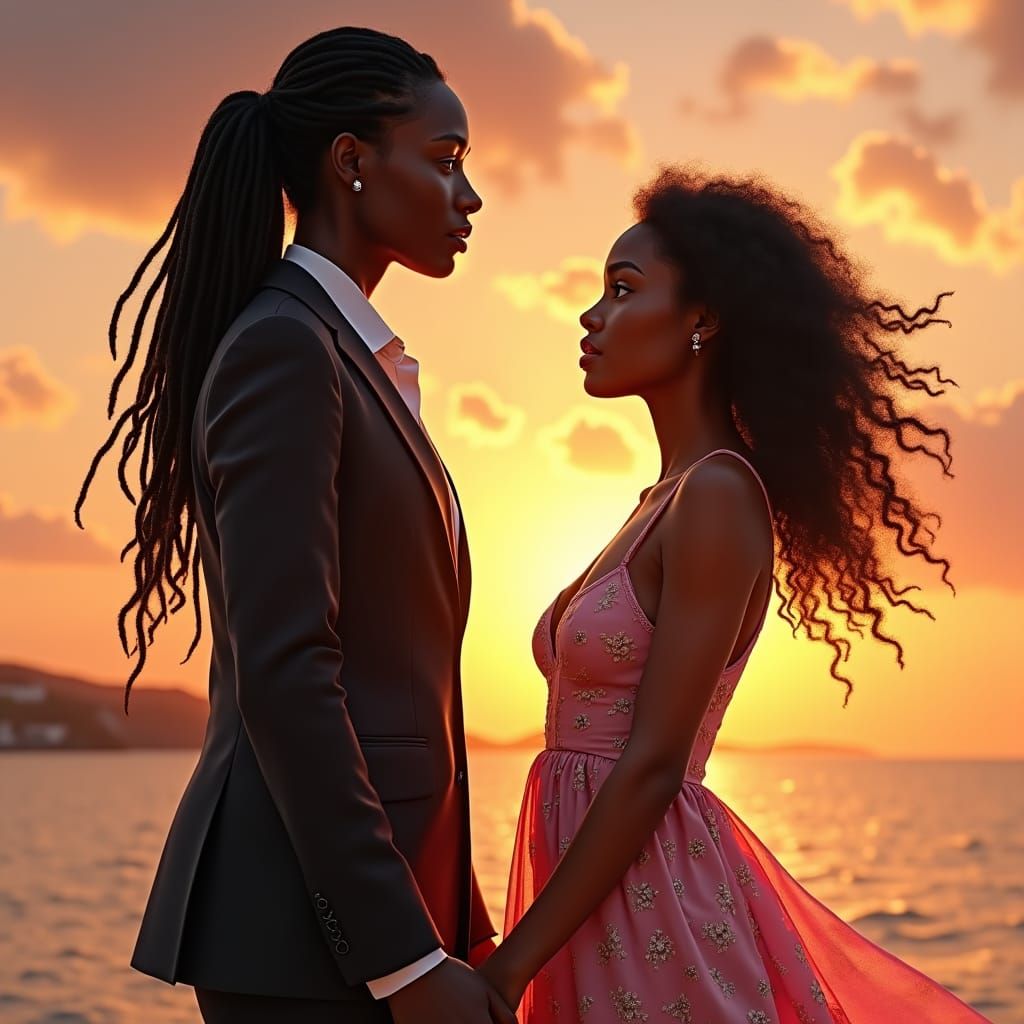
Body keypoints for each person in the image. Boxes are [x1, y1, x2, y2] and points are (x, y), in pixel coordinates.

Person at [75, 26, 514, 1024]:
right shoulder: (288, 348)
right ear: (351, 163)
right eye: (444, 161)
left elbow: (398, 691)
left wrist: (451, 914)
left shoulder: (346, 355)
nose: (469, 195)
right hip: (302, 942)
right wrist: (403, 957)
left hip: (364, 922)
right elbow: (288, 673)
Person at [479, 167, 991, 1022]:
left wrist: (508, 970)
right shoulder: (661, 499)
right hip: (592, 905)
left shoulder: (716, 493)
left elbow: (651, 766)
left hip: (653, 910)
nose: (591, 314)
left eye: (623, 289)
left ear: (703, 321)